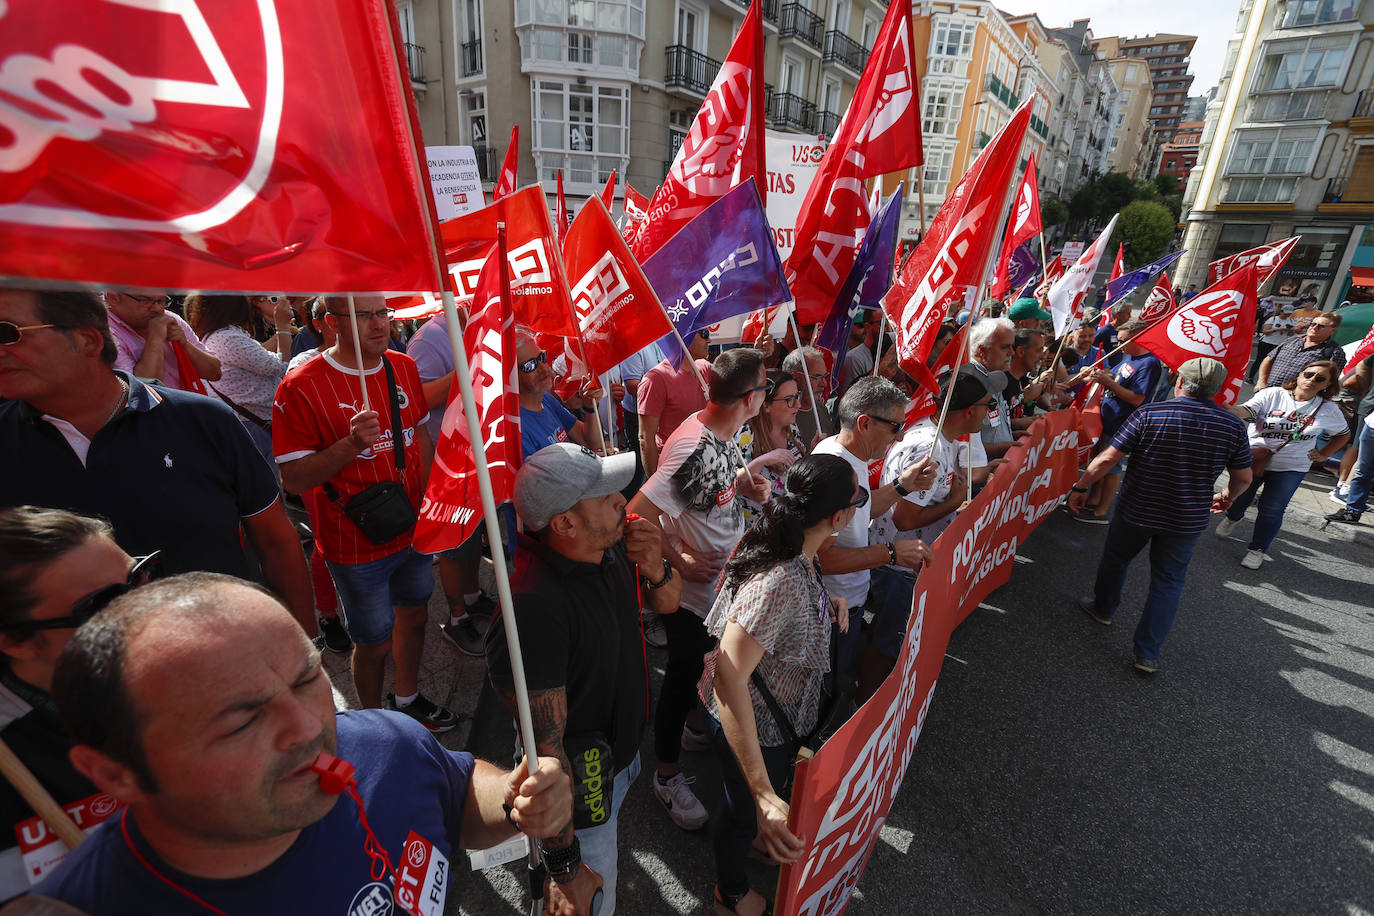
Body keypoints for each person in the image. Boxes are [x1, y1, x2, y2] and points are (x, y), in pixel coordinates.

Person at [31, 573, 572, 914]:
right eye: (241, 720)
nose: (310, 727)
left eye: (305, 677)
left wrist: (512, 796)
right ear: (115, 773)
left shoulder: (388, 742)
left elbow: (453, 793)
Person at [0, 288, 313, 634]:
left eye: (7, 333)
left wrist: (304, 649)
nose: (155, 308)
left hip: (222, 656)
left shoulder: (204, 420)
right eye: (143, 300)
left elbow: (276, 542)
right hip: (77, 683)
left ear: (88, 341)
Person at [488, 443, 682, 915]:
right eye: (605, 496)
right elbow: (546, 756)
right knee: (591, 902)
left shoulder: (610, 544)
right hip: (581, 790)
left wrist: (657, 566)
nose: (623, 501)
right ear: (565, 524)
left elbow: (670, 603)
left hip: (624, 755)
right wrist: (567, 868)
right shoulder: (532, 611)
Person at [273, 295, 456, 730]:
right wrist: (351, 444)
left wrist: (430, 501)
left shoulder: (402, 366)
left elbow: (417, 437)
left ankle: (408, 698)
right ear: (330, 323)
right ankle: (375, 722)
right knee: (372, 642)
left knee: (415, 617)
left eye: (382, 314)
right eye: (364, 315)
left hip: (411, 530)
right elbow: (294, 479)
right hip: (354, 542)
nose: (379, 324)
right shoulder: (300, 386)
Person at [698, 455, 860, 916]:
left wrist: (827, 604)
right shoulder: (783, 579)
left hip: (772, 722)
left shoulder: (790, 546)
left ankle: (751, 836)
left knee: (746, 807)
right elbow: (730, 675)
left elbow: (767, 618)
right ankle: (729, 894)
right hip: (755, 727)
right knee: (742, 808)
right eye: (858, 499)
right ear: (837, 517)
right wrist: (765, 794)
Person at [627, 348, 771, 833]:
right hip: (693, 599)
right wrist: (678, 557)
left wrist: (740, 488)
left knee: (702, 674)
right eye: (766, 389)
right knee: (683, 677)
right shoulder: (693, 443)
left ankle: (694, 730)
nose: (767, 397)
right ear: (750, 399)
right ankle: (666, 777)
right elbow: (636, 512)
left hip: (721, 590)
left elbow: (707, 486)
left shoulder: (718, 430)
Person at [0, 508, 161, 901]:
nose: (147, 613)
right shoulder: (12, 760)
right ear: (15, 641)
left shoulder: (208, 674)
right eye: (102, 605)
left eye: (137, 578)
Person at [1070, 358, 1253, 674]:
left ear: (1178, 381)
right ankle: (1148, 653)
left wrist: (1080, 485)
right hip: (1187, 518)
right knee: (1168, 582)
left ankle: (1103, 608)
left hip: (1137, 509)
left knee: (1116, 560)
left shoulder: (1150, 413)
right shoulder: (1232, 425)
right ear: (1219, 389)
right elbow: (1244, 478)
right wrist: (1229, 497)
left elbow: (1108, 458)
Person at [863, 368, 1000, 702]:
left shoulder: (940, 439)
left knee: (882, 640)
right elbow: (906, 518)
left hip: (900, 561)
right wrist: (955, 502)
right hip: (897, 566)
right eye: (988, 403)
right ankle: (863, 711)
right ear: (969, 411)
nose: (990, 410)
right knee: (884, 646)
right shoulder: (931, 449)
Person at [813, 377, 937, 688]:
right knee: (826, 694)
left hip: (845, 601)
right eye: (895, 426)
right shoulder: (837, 468)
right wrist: (892, 553)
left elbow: (864, 509)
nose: (899, 438)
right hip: (831, 609)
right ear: (865, 423)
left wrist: (902, 486)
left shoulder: (846, 455)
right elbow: (820, 559)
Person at [406, 308, 496, 657]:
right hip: (447, 461)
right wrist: (466, 369)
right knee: (453, 543)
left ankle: (472, 597)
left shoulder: (481, 325)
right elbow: (419, 399)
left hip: (477, 456)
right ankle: (457, 618)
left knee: (473, 536)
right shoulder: (429, 338)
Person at [1218, 361, 1349, 568]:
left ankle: (1257, 549)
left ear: (1327, 385)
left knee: (1272, 509)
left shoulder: (1329, 409)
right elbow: (1248, 410)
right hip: (1254, 459)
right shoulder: (1273, 394)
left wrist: (1324, 454)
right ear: (1299, 375)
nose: (1311, 380)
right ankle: (1233, 517)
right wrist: (1232, 410)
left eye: (1320, 378)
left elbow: (1343, 435)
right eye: (1308, 374)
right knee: (1240, 499)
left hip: (1292, 466)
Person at [1071, 320, 1163, 524]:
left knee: (1111, 466)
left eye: (1123, 341)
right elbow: (1118, 376)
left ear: (1138, 338)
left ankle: (1101, 511)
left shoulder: (1149, 363)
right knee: (1100, 462)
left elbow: (1136, 398)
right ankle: (1094, 499)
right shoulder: (1131, 357)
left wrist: (1107, 382)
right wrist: (1100, 374)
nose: (1119, 346)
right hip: (1110, 420)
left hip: (1123, 423)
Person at [191, 294, 290, 471]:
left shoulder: (219, 335)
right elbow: (281, 367)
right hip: (254, 427)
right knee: (268, 487)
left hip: (251, 423)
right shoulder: (228, 338)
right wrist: (282, 327)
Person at [101, 290, 221, 391]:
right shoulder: (102, 331)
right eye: (145, 301)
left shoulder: (171, 319)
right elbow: (141, 393)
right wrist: (155, 340)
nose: (158, 308)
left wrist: (185, 344)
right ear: (113, 297)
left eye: (162, 301)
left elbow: (214, 372)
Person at [638, 330, 713, 476]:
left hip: (707, 466)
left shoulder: (705, 368)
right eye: (704, 333)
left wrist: (760, 353)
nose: (709, 340)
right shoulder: (655, 379)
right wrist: (655, 486)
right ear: (684, 336)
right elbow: (646, 439)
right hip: (675, 472)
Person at [736, 369, 805, 522]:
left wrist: (814, 451)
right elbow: (733, 485)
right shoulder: (746, 435)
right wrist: (762, 460)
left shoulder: (791, 429)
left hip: (788, 523)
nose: (798, 404)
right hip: (757, 529)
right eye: (790, 399)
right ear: (766, 405)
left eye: (797, 396)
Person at [516, 329, 598, 457]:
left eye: (541, 357)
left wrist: (590, 408)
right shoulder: (517, 429)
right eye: (530, 365)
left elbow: (590, 442)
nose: (543, 368)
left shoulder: (546, 400)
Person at [967, 317, 1017, 459]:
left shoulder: (992, 374)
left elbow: (991, 431)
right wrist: (1006, 448)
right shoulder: (969, 383)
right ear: (982, 350)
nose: (1012, 353)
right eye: (1005, 347)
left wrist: (1014, 438)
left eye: (1012, 346)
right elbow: (964, 448)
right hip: (978, 476)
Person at [1255, 312, 1346, 390]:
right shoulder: (1292, 340)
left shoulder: (1334, 352)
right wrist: (1261, 382)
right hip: (1268, 391)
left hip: (1297, 400)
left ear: (1332, 330)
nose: (1314, 328)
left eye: (1321, 326)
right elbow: (1268, 359)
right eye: (1313, 324)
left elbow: (1331, 381)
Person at [784, 346, 836, 446]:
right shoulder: (783, 416)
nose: (824, 384)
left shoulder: (821, 408)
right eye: (817, 377)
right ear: (795, 378)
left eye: (825, 376)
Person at [1249, 302, 1295, 383]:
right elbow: (1265, 331)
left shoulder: (1291, 321)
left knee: (1272, 363)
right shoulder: (1273, 319)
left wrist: (1290, 330)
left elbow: (1290, 334)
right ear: (1282, 311)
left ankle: (1265, 380)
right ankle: (1250, 377)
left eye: (1289, 314)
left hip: (1279, 344)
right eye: (1285, 313)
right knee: (1259, 360)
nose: (1287, 315)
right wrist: (1279, 329)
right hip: (1267, 342)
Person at [1092, 302, 1134, 369]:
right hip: (1106, 369)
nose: (1130, 316)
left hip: (1118, 368)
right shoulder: (1104, 331)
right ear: (1118, 314)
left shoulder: (1125, 331)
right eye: (1128, 313)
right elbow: (1093, 350)